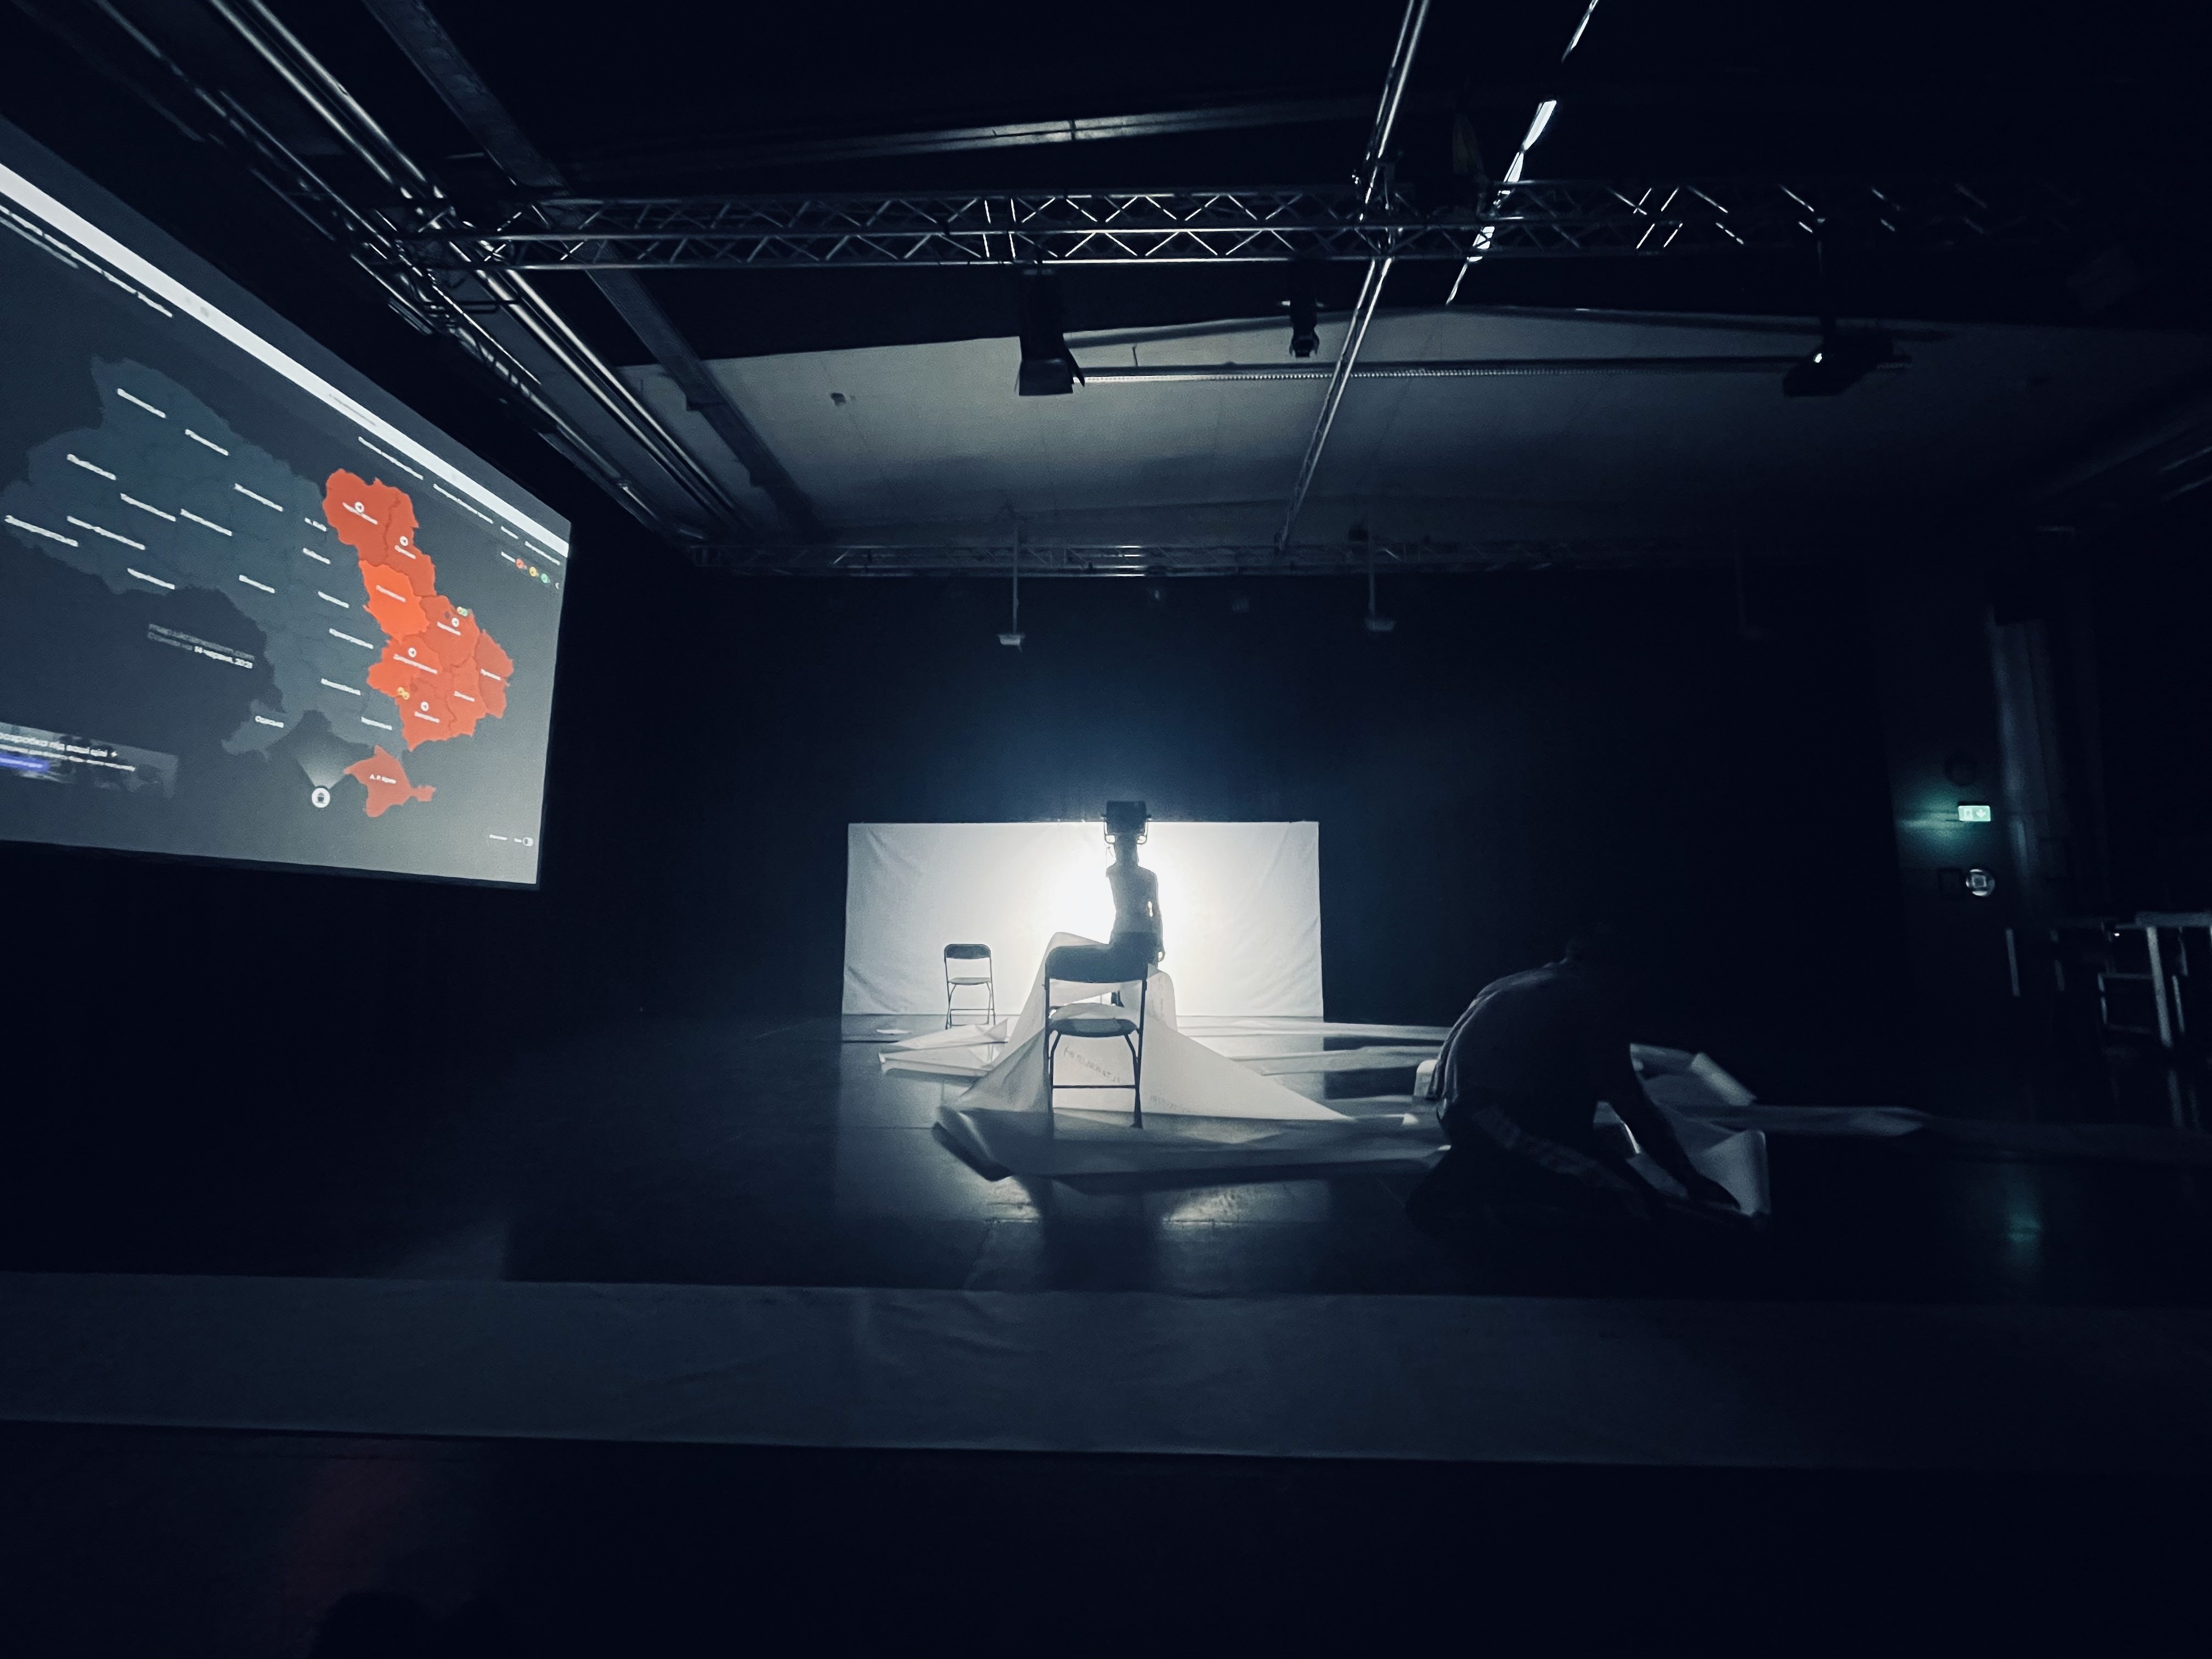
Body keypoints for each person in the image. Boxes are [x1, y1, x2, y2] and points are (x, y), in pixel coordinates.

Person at [1409, 934, 1740, 1224]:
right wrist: (1689, 1178)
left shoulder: (1518, 983)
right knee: (1634, 1202)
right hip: (1490, 1115)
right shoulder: (1591, 998)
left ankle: (1486, 1170)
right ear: (1619, 971)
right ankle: (1471, 1181)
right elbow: (1629, 1100)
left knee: (1596, 1164)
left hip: (1474, 1111)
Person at [1043, 800, 1164, 990]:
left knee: (1124, 980)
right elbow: (1156, 913)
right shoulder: (1144, 876)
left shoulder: (1115, 872)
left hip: (1129, 935)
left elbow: (1156, 912)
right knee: (1132, 981)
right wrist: (1160, 940)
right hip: (1139, 936)